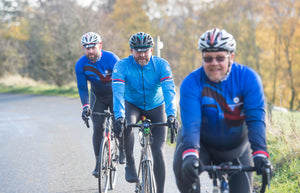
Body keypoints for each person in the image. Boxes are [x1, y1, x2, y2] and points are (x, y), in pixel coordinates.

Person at [173, 28, 272, 193]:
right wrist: (190, 154)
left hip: (237, 148)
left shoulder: (248, 78)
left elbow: (255, 120)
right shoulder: (191, 82)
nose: (214, 63)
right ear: (202, 58)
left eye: (220, 58)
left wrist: (260, 153)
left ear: (231, 57)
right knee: (183, 169)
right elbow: (192, 124)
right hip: (201, 144)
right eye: (208, 59)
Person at [112, 32, 179, 193]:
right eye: (137, 50)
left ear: (152, 49)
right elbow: (118, 93)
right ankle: (130, 162)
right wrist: (119, 116)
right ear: (131, 50)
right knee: (126, 125)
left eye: (145, 50)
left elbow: (169, 91)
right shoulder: (121, 66)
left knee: (158, 151)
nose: (142, 54)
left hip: (157, 106)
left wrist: (171, 115)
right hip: (132, 104)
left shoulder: (161, 65)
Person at [75, 32, 124, 178]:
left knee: (119, 123)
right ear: (83, 49)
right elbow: (83, 88)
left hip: (115, 95)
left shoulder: (112, 59)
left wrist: (121, 104)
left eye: (93, 47)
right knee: (98, 128)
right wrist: (86, 106)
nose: (90, 51)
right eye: (86, 48)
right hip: (98, 96)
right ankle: (98, 162)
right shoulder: (81, 65)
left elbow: (122, 83)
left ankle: (122, 148)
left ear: (100, 46)